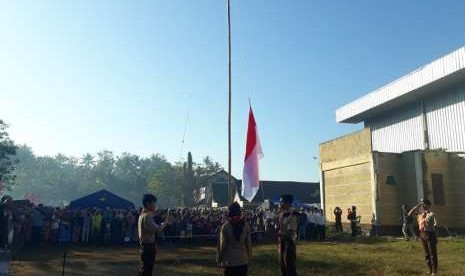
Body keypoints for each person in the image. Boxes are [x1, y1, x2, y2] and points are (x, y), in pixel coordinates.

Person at [217, 202, 252, 276]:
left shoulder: (225, 226)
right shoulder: (246, 225)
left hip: (230, 262)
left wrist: (219, 258)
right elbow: (249, 244)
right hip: (243, 260)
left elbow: (223, 245)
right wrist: (249, 258)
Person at [138, 194, 169, 276]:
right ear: (148, 203)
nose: (155, 205)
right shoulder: (147, 216)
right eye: (154, 203)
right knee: (147, 271)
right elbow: (157, 230)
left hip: (145, 246)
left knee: (145, 270)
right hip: (148, 247)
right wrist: (165, 223)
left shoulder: (142, 215)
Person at [408, 199, 438, 276]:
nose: (423, 206)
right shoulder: (420, 213)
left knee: (432, 253)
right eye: (422, 204)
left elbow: (432, 223)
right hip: (422, 234)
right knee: (426, 253)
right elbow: (409, 214)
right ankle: (430, 270)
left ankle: (434, 271)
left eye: (424, 204)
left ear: (428, 205)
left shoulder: (431, 214)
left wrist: (424, 215)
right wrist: (417, 206)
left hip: (430, 234)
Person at [277, 194, 298, 276]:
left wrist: (278, 234)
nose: (280, 204)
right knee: (283, 269)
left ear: (288, 203)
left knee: (290, 269)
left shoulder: (291, 216)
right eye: (279, 202)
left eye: (281, 202)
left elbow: (291, 235)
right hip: (282, 244)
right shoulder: (282, 214)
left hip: (288, 245)